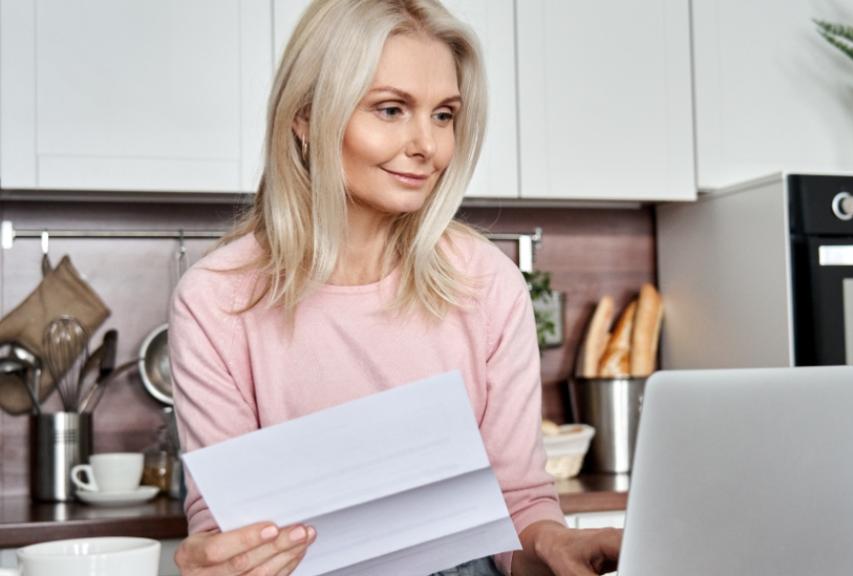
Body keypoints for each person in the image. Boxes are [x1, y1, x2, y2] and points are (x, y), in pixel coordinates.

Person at [168, 1, 622, 574]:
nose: (427, 147)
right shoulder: (217, 300)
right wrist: (221, 561)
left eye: (443, 115)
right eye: (391, 109)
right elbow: (225, 526)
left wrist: (553, 544)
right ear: (305, 118)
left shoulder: (487, 284)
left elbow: (519, 508)